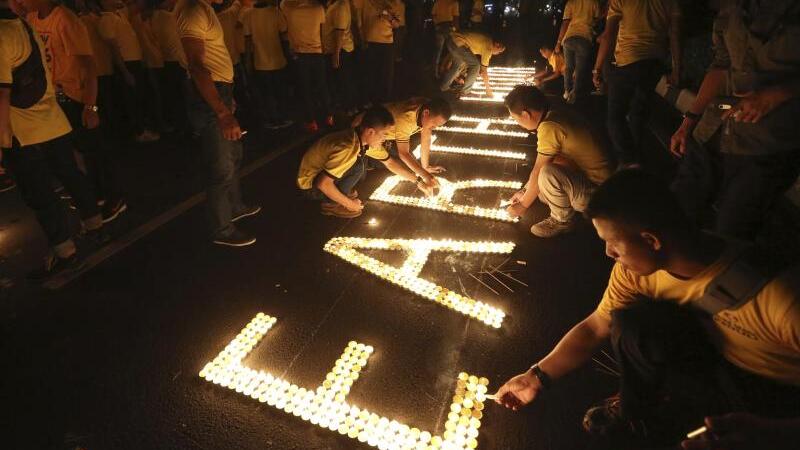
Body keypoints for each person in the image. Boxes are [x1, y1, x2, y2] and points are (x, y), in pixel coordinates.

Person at [494, 170, 800, 449]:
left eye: (613, 243)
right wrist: (535, 377)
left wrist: (770, 432)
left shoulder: (782, 298)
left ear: (651, 240)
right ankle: (641, 406)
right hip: (709, 358)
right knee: (631, 325)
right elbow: (596, 326)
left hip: (775, 393)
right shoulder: (635, 272)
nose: (608, 253)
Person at [669, 0, 800, 241]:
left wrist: (774, 96)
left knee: (731, 233)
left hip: (767, 145)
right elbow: (721, 64)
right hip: (714, 129)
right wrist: (689, 120)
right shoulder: (733, 8)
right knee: (675, 215)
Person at [1, 0, 107, 277]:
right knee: (71, 175)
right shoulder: (25, 26)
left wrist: (1, 140)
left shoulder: (3, 33)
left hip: (23, 128)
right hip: (52, 118)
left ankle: (64, 251)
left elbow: (2, 94)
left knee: (40, 193)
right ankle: (95, 226)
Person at [24, 0, 128, 222]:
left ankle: (115, 196)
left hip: (77, 95)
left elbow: (89, 65)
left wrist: (91, 105)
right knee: (80, 148)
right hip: (56, 96)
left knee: (95, 148)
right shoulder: (33, 19)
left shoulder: (66, 20)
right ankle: (97, 191)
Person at [177, 0, 260, 246]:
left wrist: (227, 97)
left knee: (234, 154)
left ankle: (235, 207)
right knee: (221, 165)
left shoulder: (204, 8)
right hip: (210, 97)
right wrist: (222, 113)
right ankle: (221, 229)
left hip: (220, 90)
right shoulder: (192, 10)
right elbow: (196, 65)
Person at [504, 85, 612, 237]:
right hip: (604, 181)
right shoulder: (555, 110)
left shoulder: (549, 127)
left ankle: (562, 221)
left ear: (526, 114)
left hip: (600, 194)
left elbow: (539, 169)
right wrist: (524, 191)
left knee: (546, 175)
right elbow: (555, 160)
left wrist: (522, 206)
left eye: (516, 119)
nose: (518, 124)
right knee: (541, 189)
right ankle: (567, 205)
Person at [297, 106, 435, 218]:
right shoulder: (348, 147)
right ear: (370, 132)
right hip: (311, 186)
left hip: (318, 175)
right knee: (358, 166)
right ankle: (330, 203)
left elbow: (390, 163)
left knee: (360, 166)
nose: (385, 140)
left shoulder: (360, 138)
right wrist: (351, 205)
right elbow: (323, 183)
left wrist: (418, 181)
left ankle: (339, 194)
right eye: (384, 135)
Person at [592, 0, 681, 167]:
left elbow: (608, 35)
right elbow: (675, 34)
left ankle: (629, 162)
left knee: (615, 116)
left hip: (628, 60)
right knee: (638, 113)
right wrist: (677, 69)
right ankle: (638, 157)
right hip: (654, 63)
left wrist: (597, 68)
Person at [353, 96, 451, 189]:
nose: (435, 128)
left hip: (382, 133)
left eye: (438, 126)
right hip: (365, 132)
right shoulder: (405, 119)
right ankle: (367, 160)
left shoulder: (426, 107)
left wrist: (425, 167)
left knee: (412, 166)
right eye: (434, 124)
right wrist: (425, 176)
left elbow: (426, 137)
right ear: (426, 113)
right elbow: (403, 154)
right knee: (359, 175)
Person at [97, 0, 160, 142]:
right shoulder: (106, 20)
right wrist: (125, 72)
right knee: (132, 98)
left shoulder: (120, 14)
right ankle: (138, 131)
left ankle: (142, 127)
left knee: (139, 95)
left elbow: (138, 6)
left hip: (134, 61)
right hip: (126, 63)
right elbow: (114, 50)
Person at [280, 0, 332, 132]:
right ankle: (328, 116)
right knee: (322, 85)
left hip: (299, 54)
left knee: (305, 88)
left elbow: (283, 27)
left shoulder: (288, 8)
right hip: (317, 51)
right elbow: (321, 31)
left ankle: (311, 121)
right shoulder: (318, 8)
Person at [243, 0, 292, 129]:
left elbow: (247, 41)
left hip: (260, 62)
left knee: (267, 92)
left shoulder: (248, 15)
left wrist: (248, 60)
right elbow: (284, 35)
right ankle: (283, 116)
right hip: (278, 59)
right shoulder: (275, 12)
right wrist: (288, 54)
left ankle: (272, 119)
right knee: (280, 90)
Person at [149, 0, 188, 131]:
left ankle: (178, 125)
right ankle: (185, 125)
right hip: (178, 61)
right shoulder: (168, 17)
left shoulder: (153, 17)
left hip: (167, 60)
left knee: (174, 96)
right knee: (182, 96)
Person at [554, 0, 599, 103]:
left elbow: (565, 23)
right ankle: (574, 94)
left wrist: (558, 42)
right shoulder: (594, 2)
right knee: (580, 69)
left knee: (569, 67)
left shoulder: (571, 3)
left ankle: (566, 91)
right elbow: (597, 20)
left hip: (568, 38)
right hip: (584, 37)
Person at [355, 0, 400, 103]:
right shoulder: (365, 3)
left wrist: (390, 18)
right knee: (370, 73)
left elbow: (397, 24)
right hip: (370, 42)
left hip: (386, 43)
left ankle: (384, 101)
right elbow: (359, 21)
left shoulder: (392, 3)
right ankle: (370, 99)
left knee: (386, 74)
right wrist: (362, 38)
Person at [439, 30, 504, 96]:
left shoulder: (487, 40)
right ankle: (465, 91)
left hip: (452, 41)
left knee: (457, 65)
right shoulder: (488, 47)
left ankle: (444, 87)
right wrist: (488, 89)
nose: (498, 54)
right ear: (497, 44)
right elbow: (483, 71)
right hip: (459, 42)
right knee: (475, 65)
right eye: (499, 51)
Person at [322, 0, 356, 115]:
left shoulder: (340, 6)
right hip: (337, 49)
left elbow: (339, 32)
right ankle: (345, 106)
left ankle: (348, 107)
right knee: (341, 80)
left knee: (344, 80)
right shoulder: (336, 4)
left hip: (341, 50)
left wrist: (336, 55)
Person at [430, 0, 458, 78]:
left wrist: (436, 25)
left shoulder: (438, 2)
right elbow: (456, 17)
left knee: (438, 50)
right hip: (449, 27)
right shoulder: (454, 2)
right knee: (452, 50)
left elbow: (433, 14)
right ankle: (449, 72)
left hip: (439, 26)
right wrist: (455, 30)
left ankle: (435, 72)